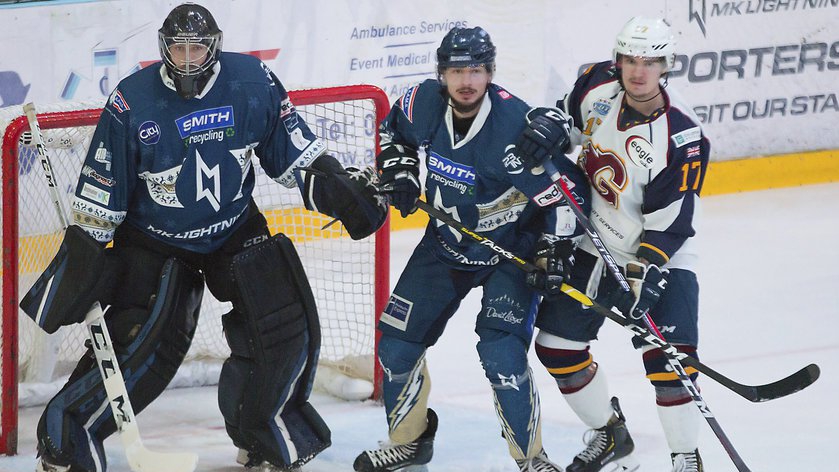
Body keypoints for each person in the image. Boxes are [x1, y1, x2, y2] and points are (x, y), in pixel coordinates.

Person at [22, 3, 386, 472]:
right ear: (163, 48)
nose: (188, 58)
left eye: (197, 47)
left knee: (282, 323)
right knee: (140, 346)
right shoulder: (132, 102)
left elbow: (295, 153)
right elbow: (101, 195)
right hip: (154, 239)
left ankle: (262, 436)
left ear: (214, 46)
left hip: (233, 227)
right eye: (179, 48)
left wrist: (341, 190)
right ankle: (66, 447)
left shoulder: (252, 83)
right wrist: (83, 262)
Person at [352, 26, 589, 472]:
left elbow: (567, 196)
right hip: (444, 246)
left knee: (502, 355)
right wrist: (402, 168)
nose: (466, 81)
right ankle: (410, 441)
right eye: (457, 70)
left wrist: (553, 250)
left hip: (508, 255)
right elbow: (392, 133)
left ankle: (532, 459)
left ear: (490, 73)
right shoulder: (420, 102)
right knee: (396, 350)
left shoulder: (514, 129)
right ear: (441, 73)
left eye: (476, 70)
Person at [519, 17, 710, 472]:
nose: (638, 71)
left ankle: (686, 457)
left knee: (671, 363)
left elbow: (671, 223)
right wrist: (549, 130)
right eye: (629, 59)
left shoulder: (681, 135)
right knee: (557, 348)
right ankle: (610, 434)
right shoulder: (595, 85)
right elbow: (567, 125)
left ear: (667, 65)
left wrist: (645, 271)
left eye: (650, 62)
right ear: (617, 60)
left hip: (659, 252)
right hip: (594, 240)